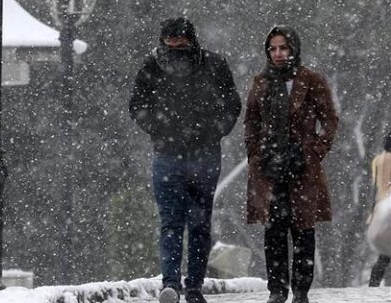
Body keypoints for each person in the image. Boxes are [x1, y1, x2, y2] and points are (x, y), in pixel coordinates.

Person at [129, 17, 241, 303]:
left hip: (200, 156)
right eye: (171, 44)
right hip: (170, 155)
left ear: (190, 41)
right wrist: (161, 129)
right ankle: (174, 283)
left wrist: (212, 131)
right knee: (176, 222)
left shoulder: (214, 65)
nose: (175, 49)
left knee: (193, 224)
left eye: (180, 44)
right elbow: (138, 105)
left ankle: (191, 285)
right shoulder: (153, 66)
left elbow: (231, 105)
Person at [244, 25, 339, 303]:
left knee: (303, 229)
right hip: (270, 167)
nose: (278, 54)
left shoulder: (311, 79)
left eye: (283, 48)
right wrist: (256, 154)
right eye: (272, 48)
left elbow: (330, 119)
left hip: (302, 167)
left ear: (293, 48)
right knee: (274, 231)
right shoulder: (261, 81)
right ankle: (276, 290)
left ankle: (300, 291)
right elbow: (251, 121)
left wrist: (315, 151)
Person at [368, 129, 391, 287]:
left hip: (382, 207)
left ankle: (373, 284)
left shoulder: (379, 160)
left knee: (385, 254)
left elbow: (377, 186)